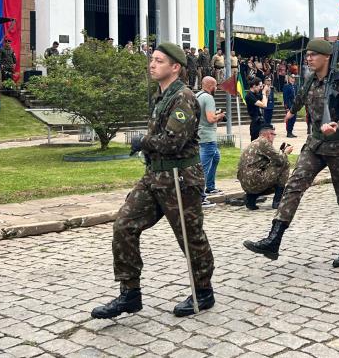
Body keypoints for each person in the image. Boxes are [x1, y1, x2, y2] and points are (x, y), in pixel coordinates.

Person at [90, 42, 215, 319]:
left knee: (190, 237)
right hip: (155, 176)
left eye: (159, 61)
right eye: (153, 59)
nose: (152, 64)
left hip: (180, 177)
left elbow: (172, 141)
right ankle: (129, 294)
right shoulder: (162, 96)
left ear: (175, 67)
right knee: (124, 224)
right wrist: (148, 146)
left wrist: (143, 141)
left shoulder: (183, 97)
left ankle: (203, 291)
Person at [243, 39, 339, 267]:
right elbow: (299, 99)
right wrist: (290, 112)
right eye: (307, 55)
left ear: (327, 57)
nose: (308, 58)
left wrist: (337, 125)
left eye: (314, 55)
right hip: (315, 144)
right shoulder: (309, 81)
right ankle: (274, 239)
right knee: (294, 185)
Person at [237, 124, 293, 210]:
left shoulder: (255, 142)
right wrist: (285, 153)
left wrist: (280, 152)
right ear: (268, 134)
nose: (274, 137)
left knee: (271, 171)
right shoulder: (264, 142)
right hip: (254, 180)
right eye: (274, 135)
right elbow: (280, 161)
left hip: (245, 183)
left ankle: (251, 199)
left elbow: (269, 162)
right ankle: (277, 201)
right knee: (285, 164)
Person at [197, 76, 225, 206]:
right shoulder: (208, 98)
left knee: (216, 157)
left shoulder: (198, 96)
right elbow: (210, 119)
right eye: (215, 86)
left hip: (200, 134)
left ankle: (210, 186)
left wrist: (215, 114)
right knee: (204, 166)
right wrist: (220, 116)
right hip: (208, 137)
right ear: (210, 86)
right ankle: (200, 196)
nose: (216, 89)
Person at [245, 77, 269, 141]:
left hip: (261, 121)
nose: (261, 88)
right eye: (260, 86)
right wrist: (264, 92)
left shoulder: (256, 94)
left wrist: (266, 94)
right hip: (255, 122)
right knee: (255, 143)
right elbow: (264, 105)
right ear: (254, 86)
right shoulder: (249, 95)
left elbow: (265, 103)